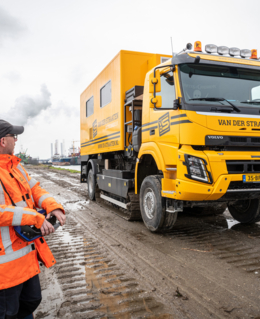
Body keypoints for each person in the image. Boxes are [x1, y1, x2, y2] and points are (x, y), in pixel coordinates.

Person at [0, 119, 66, 319]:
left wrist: (53, 206)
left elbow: (35, 189)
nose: (16, 141)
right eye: (14, 137)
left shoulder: (15, 166)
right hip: (5, 270)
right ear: (3, 141)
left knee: (30, 303)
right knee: (8, 312)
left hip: (26, 258)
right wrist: (36, 218)